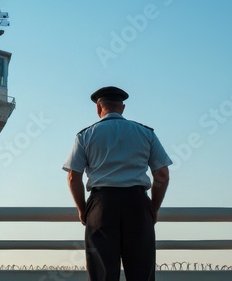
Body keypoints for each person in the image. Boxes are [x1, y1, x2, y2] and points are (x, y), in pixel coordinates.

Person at [63, 86, 172, 281]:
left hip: (101, 205)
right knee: (141, 273)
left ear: (98, 108)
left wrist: (83, 210)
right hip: (138, 205)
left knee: (102, 273)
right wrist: (152, 209)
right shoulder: (146, 133)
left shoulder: (85, 136)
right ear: (122, 108)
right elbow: (162, 175)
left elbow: (73, 177)